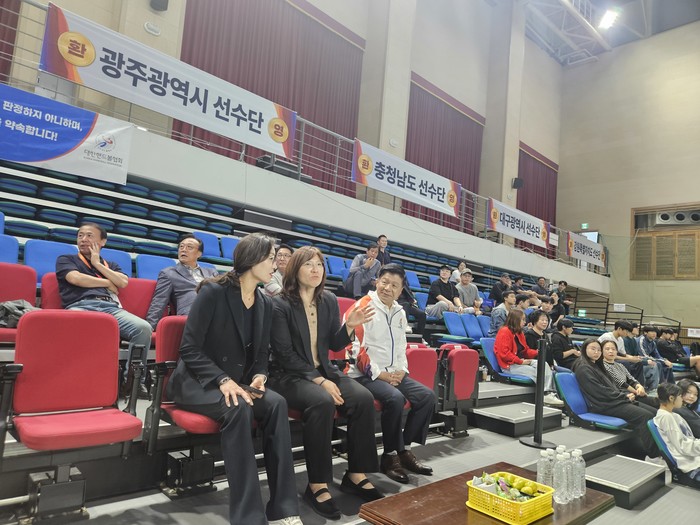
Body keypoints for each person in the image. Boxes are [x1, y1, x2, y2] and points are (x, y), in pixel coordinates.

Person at [166, 233, 302, 525]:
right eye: (270, 259)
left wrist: (260, 375)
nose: (275, 266)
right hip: (198, 383)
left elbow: (262, 353)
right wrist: (222, 380)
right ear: (252, 260)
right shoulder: (212, 292)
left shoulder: (265, 303)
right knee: (238, 407)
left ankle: (284, 509)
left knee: (277, 403)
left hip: (236, 383)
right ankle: (248, 517)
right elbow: (189, 348)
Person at [269, 246, 382, 520]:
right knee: (321, 401)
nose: (315, 269)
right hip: (288, 374)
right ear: (295, 269)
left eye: (319, 264)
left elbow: (333, 344)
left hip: (324, 369)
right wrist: (320, 381)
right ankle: (317, 485)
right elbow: (284, 354)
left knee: (363, 398)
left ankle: (355, 475)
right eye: (308, 264)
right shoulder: (279, 303)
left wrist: (349, 326)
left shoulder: (328, 299)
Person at [345, 264, 437, 484]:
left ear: (401, 289)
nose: (388, 288)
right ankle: (389, 456)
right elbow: (354, 349)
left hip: (393, 373)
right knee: (395, 399)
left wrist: (401, 371)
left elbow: (401, 347)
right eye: (384, 282)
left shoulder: (399, 312)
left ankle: (403, 449)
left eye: (394, 285)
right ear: (376, 281)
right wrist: (381, 375)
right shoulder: (362, 307)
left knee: (427, 397)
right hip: (364, 375)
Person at [56, 222, 152, 399]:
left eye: (89, 236)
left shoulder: (111, 264)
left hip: (110, 308)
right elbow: (76, 278)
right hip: (81, 306)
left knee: (143, 328)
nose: (83, 239)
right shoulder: (66, 259)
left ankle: (132, 383)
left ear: (102, 242)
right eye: (80, 235)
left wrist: (97, 264)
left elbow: (123, 282)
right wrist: (108, 282)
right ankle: (79, 382)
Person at [572, 339, 656, 457]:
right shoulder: (584, 368)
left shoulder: (596, 365)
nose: (596, 352)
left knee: (654, 413)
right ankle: (653, 455)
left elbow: (612, 387)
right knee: (646, 416)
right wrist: (624, 396)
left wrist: (624, 395)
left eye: (598, 350)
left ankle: (649, 448)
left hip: (614, 401)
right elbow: (599, 391)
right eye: (593, 349)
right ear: (584, 350)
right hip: (604, 405)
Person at [146, 234, 219, 329]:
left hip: (216, 312)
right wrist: (149, 328)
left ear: (199, 254)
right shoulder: (169, 273)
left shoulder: (212, 272)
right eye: (181, 246)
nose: (183, 250)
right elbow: (159, 302)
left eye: (189, 247)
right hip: (192, 315)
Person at [493, 310, 563, 406]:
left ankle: (549, 393)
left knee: (543, 364)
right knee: (539, 372)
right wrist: (520, 362)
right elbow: (504, 354)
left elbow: (525, 351)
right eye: (523, 319)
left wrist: (537, 352)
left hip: (519, 362)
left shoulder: (519, 333)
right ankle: (546, 394)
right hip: (509, 365)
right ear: (516, 320)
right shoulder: (504, 331)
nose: (525, 322)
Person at [653, 383, 700, 487]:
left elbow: (689, 439)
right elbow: (683, 446)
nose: (682, 399)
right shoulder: (665, 417)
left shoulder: (674, 415)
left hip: (695, 459)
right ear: (671, 398)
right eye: (680, 396)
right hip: (690, 466)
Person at [600, 340, 657, 409]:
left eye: (613, 349)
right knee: (652, 410)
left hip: (632, 393)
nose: (611, 351)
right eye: (607, 349)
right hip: (622, 395)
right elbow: (621, 383)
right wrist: (637, 392)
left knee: (657, 403)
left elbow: (630, 378)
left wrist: (639, 386)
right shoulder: (603, 365)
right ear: (601, 351)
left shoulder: (620, 365)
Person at [599, 320, 645, 386]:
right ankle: (625, 385)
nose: (627, 333)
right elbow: (608, 355)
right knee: (625, 363)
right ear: (619, 329)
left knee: (638, 363)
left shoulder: (620, 339)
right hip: (604, 359)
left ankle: (638, 385)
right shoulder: (607, 337)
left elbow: (623, 354)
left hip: (613, 358)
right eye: (626, 331)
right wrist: (629, 359)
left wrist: (634, 358)